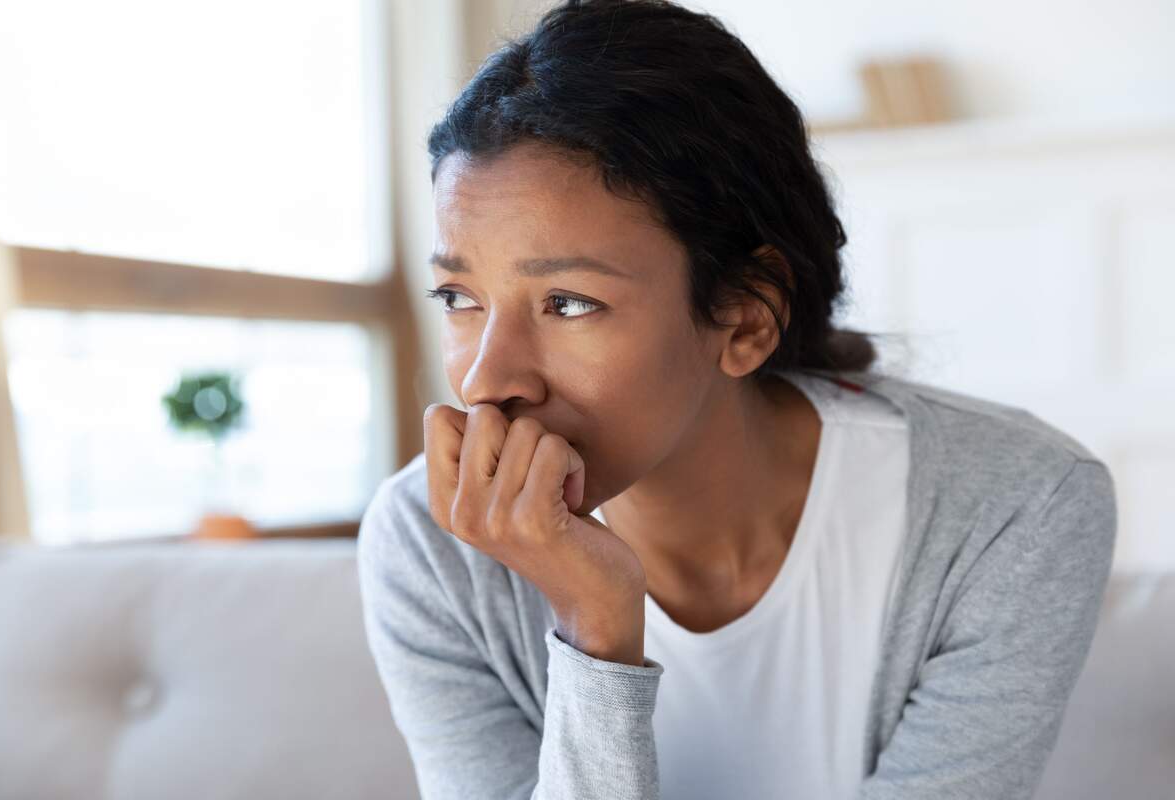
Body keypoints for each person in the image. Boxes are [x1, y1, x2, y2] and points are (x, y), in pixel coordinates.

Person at [356, 1, 1118, 798]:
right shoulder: (431, 549)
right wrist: (594, 632)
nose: (485, 380)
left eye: (569, 302)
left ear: (746, 319)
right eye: (457, 297)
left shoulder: (1015, 508)